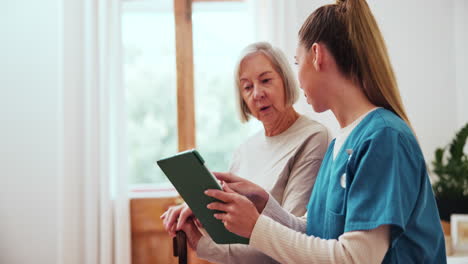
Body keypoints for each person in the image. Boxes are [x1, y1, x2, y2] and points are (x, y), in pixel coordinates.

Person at [185, 0, 447, 263]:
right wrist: (265, 205)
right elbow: (314, 233)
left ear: (317, 55)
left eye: (297, 63)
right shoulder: (339, 145)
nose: (297, 78)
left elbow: (355, 258)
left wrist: (255, 227)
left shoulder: (384, 138)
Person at [160, 42, 329, 263]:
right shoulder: (244, 149)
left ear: (286, 81)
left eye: (266, 80)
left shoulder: (314, 137)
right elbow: (230, 231)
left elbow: (293, 240)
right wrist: (200, 211)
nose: (257, 94)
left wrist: (203, 246)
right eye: (247, 87)